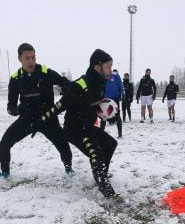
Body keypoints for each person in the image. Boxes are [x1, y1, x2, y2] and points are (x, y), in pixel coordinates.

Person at [30, 49, 120, 201]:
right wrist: (40, 122)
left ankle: (101, 173)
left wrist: (108, 116)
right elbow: (59, 106)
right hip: (74, 130)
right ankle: (106, 189)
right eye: (108, 66)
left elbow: (94, 106)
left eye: (111, 66)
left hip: (87, 127)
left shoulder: (101, 83)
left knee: (110, 143)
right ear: (97, 67)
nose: (110, 70)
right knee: (96, 152)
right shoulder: (79, 85)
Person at [0, 43, 73, 178]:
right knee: (3, 145)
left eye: (33, 57)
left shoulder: (45, 72)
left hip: (48, 118)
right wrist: (17, 110)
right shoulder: (15, 79)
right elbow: (11, 107)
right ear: (20, 59)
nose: (31, 61)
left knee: (63, 145)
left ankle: (68, 168)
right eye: (27, 58)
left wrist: (65, 91)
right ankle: (5, 172)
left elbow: (65, 83)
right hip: (27, 120)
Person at [100, 69, 124, 138]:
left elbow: (121, 85)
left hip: (114, 99)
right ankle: (101, 134)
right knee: (103, 116)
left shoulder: (116, 75)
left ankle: (120, 134)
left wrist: (123, 94)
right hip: (104, 99)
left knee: (117, 115)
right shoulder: (102, 74)